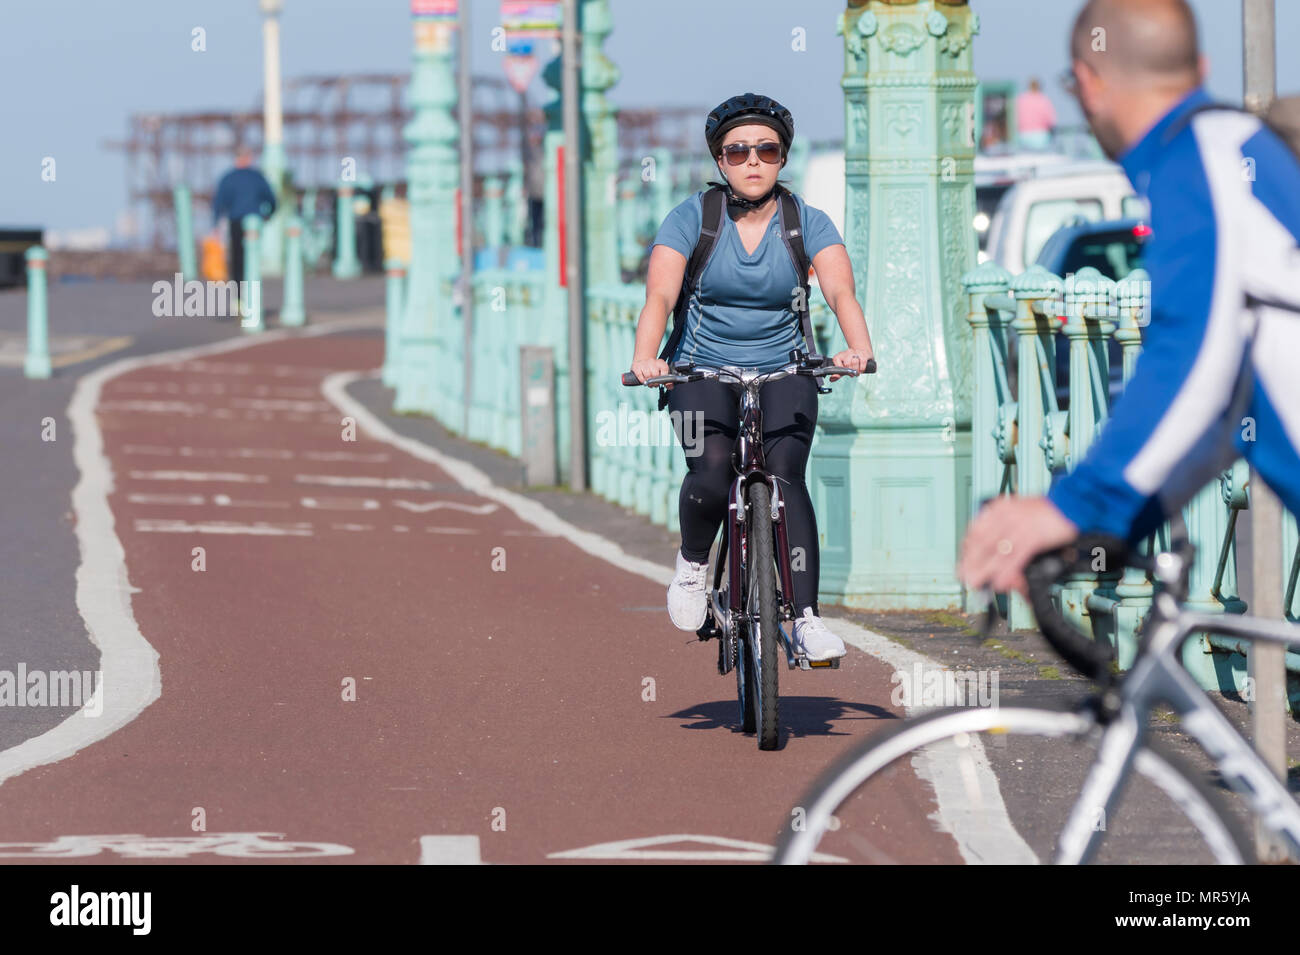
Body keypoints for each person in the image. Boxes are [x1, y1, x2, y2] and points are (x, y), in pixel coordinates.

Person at [959, 0, 1300, 598]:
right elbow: (1224, 412)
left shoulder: (1200, 166)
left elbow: (1198, 357)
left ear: (1087, 84)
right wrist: (1115, 524)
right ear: (1200, 65)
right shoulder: (1238, 152)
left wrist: (1073, 507)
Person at [629, 93, 875, 661]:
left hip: (785, 364)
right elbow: (661, 295)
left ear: (783, 157)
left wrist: (856, 349)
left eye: (766, 149)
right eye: (737, 151)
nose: (753, 160)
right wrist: (649, 358)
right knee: (712, 469)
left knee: (787, 475)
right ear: (720, 160)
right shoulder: (692, 218)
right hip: (697, 368)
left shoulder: (805, 222)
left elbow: (839, 291)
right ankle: (693, 565)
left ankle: (807, 618)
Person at [211, 147, 277, 287]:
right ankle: (252, 292)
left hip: (235, 221)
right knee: (252, 257)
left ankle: (238, 294)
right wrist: (268, 215)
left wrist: (216, 224)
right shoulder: (257, 177)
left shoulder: (228, 178)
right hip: (254, 222)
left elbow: (219, 203)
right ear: (249, 159)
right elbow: (271, 199)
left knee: (237, 257)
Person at [1015, 78, 1058, 151]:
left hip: (1022, 136)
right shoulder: (1043, 100)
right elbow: (1051, 121)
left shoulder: (1020, 99)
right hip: (1040, 137)